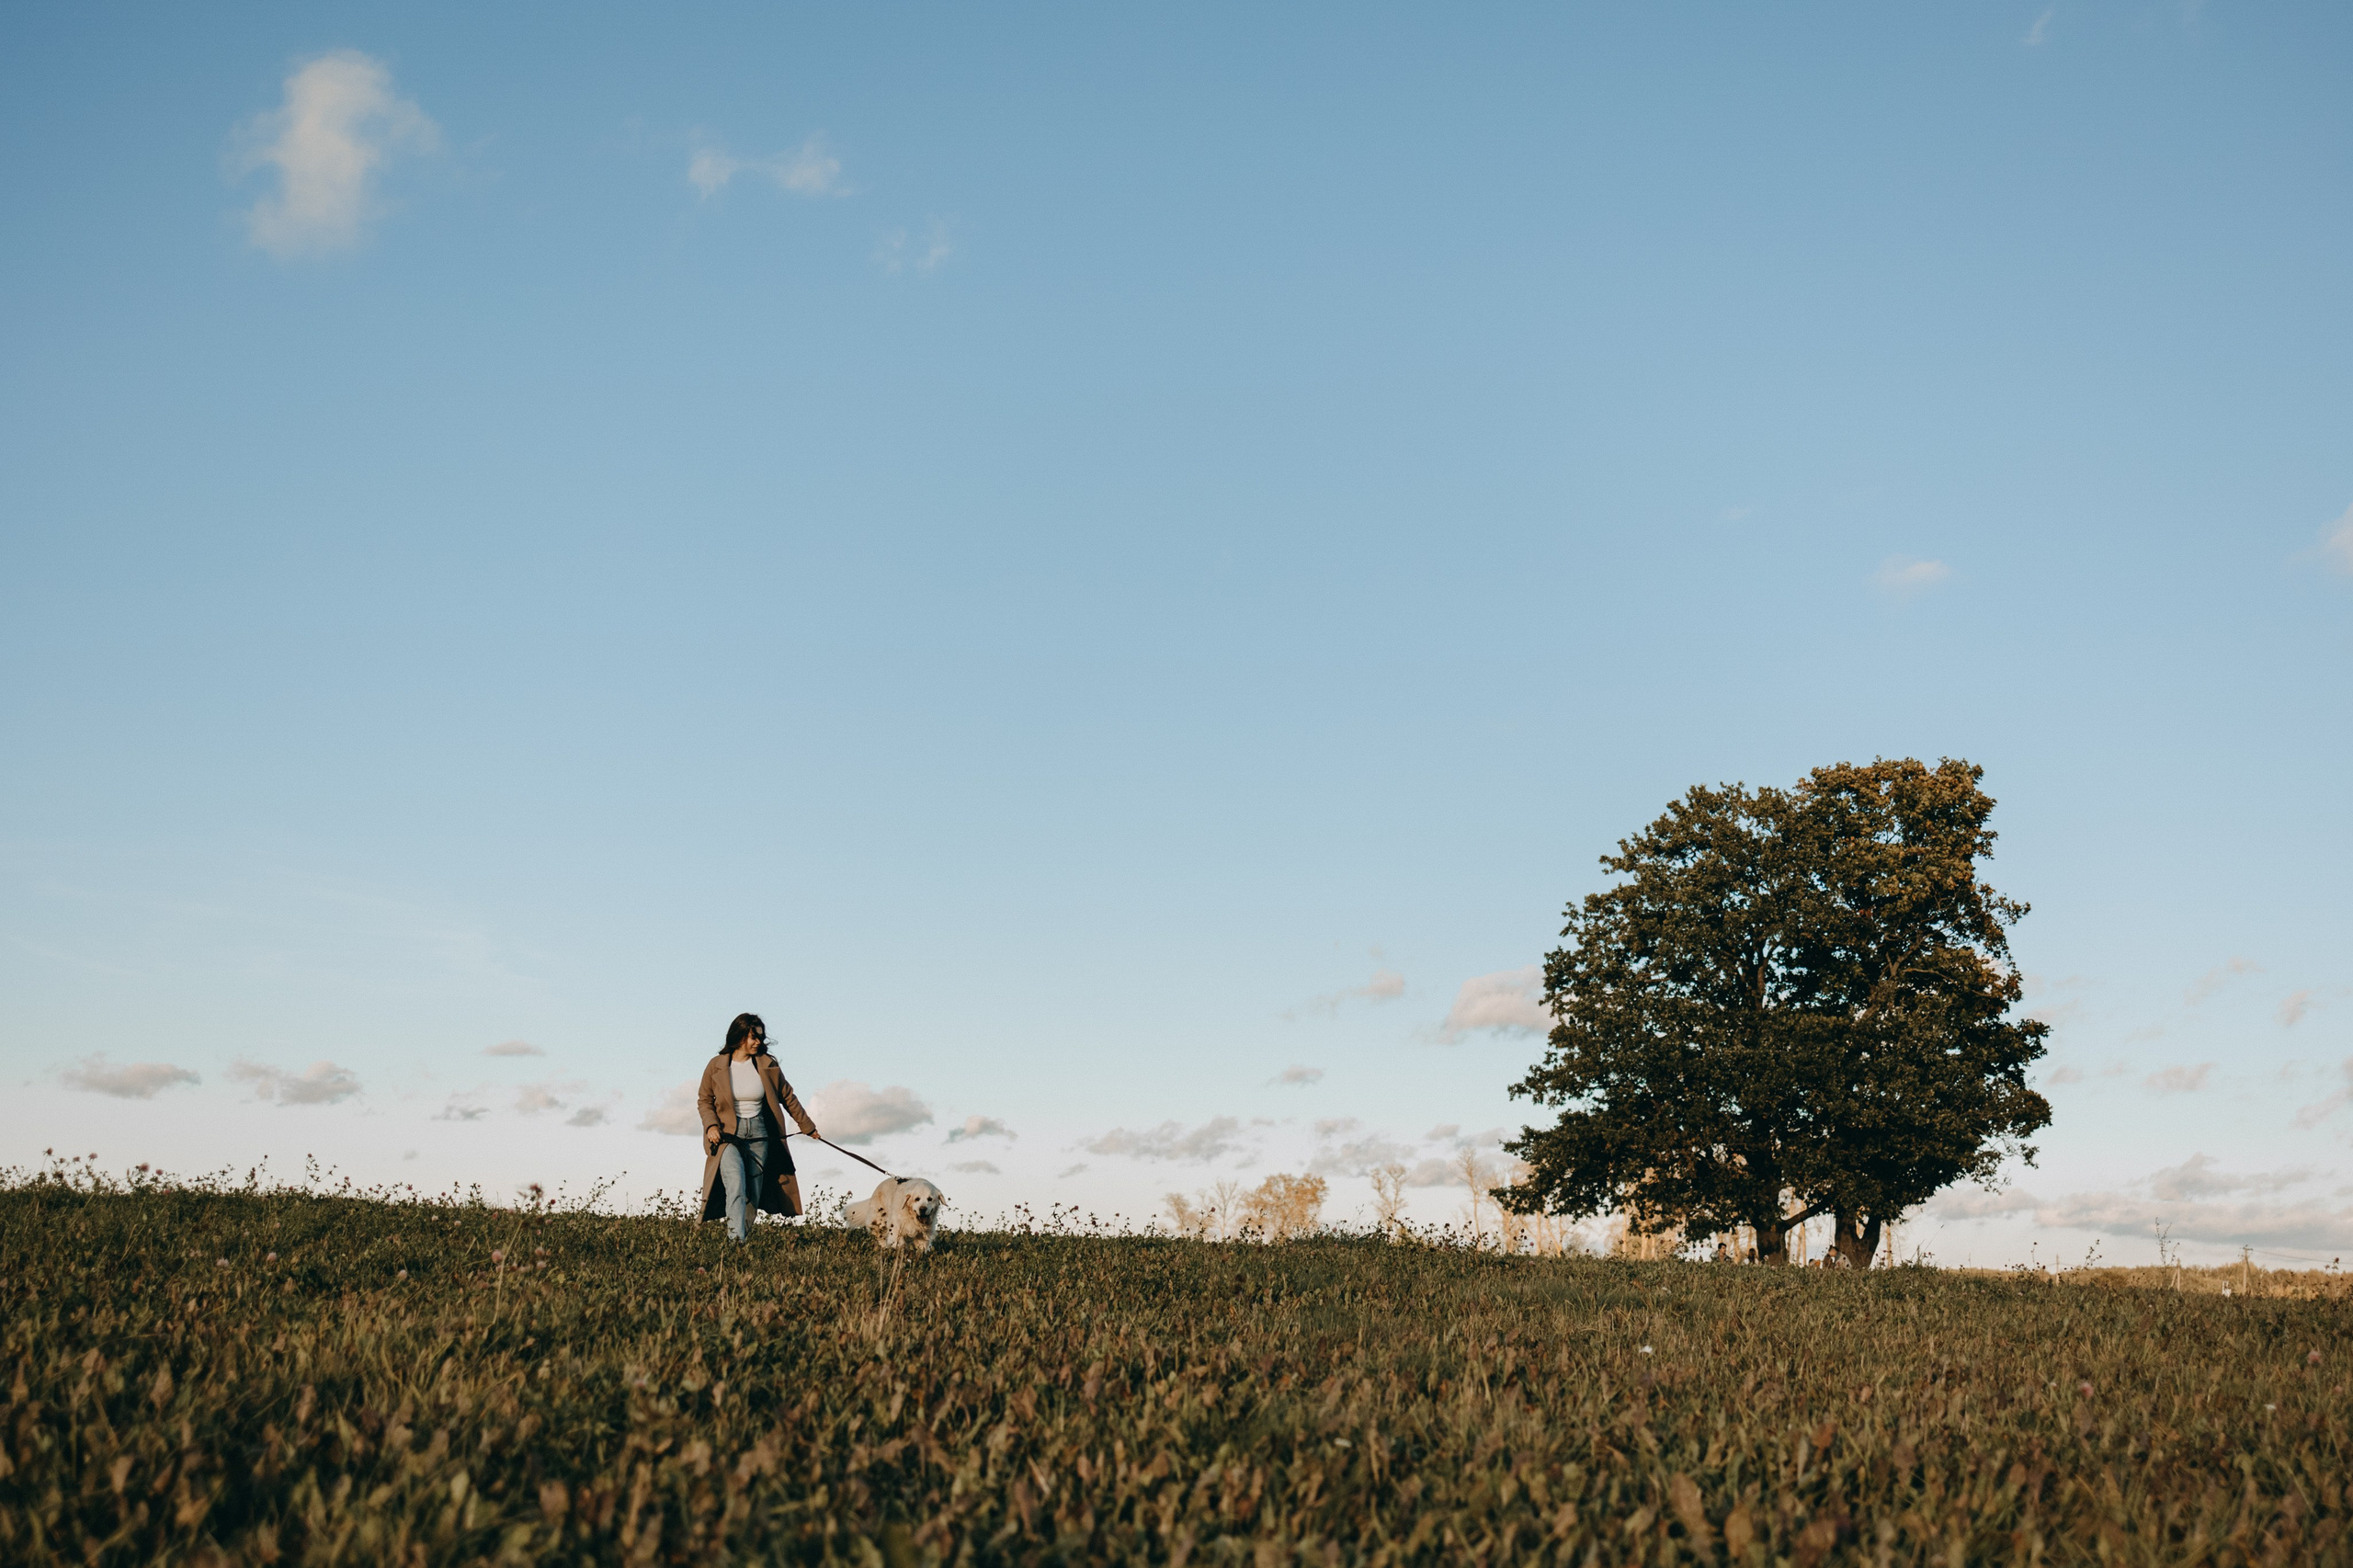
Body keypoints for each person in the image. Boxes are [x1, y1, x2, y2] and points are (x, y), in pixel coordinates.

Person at [697, 1013, 820, 1241]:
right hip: (728, 1135)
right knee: (736, 1183)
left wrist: (807, 1126)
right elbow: (704, 1099)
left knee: (753, 1191)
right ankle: (736, 1241)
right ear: (739, 1036)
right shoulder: (716, 1065)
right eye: (753, 1037)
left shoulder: (767, 1065)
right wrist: (711, 1125)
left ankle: (741, 1238)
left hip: (759, 1133)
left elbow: (788, 1097)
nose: (758, 1042)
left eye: (761, 1038)